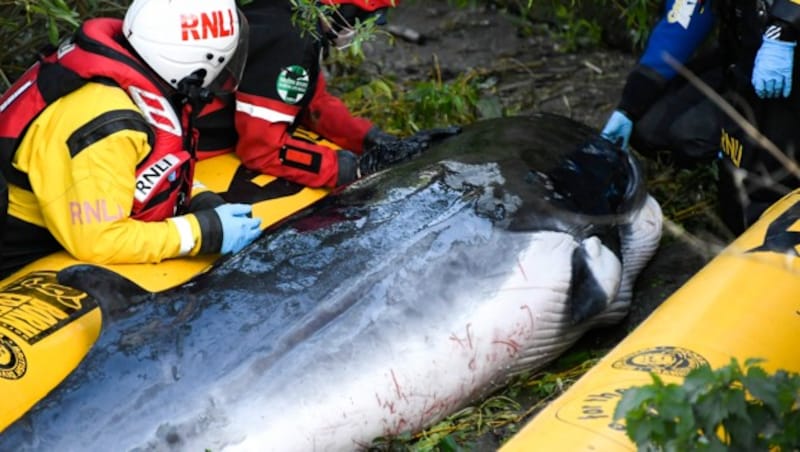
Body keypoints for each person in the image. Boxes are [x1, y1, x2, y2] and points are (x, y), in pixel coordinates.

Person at [0, 0, 263, 279]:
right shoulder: (109, 126)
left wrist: (197, 198)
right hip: (17, 253)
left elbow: (129, 176)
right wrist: (201, 232)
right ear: (200, 61)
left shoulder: (117, 86)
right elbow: (99, 241)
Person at [197, 0, 461, 189]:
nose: (366, 28)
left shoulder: (290, 18)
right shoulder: (291, 39)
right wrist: (355, 169)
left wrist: (375, 140)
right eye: (365, 18)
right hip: (201, 149)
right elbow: (261, 151)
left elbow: (313, 103)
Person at [601, 0, 800, 234]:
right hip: (744, 64)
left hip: (786, 65)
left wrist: (786, 26)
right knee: (656, 130)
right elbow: (683, 23)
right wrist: (628, 107)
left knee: (767, 185)